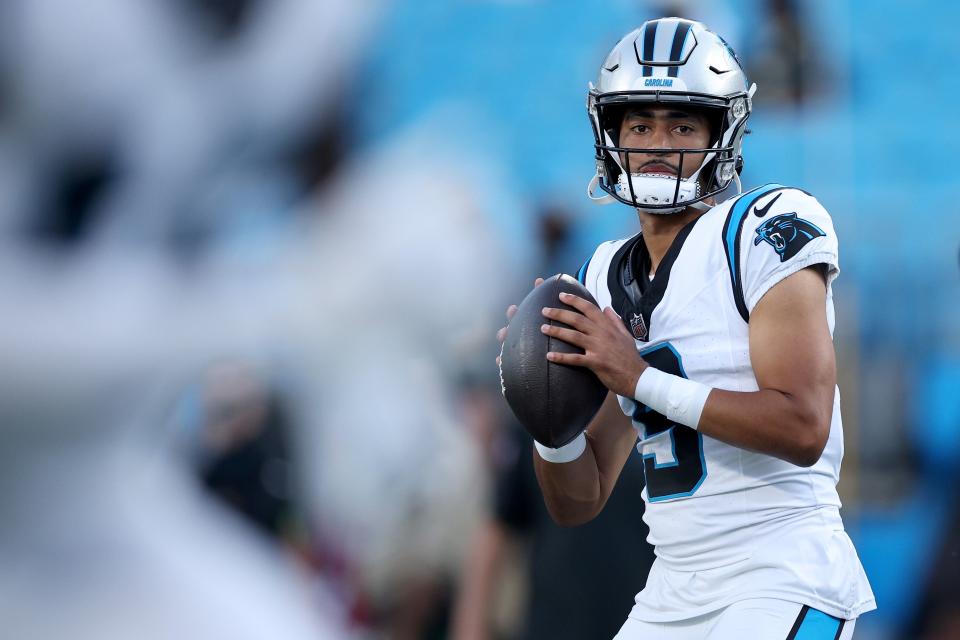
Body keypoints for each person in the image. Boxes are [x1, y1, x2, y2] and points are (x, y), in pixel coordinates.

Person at [496, 18, 875, 639]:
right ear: (609, 135)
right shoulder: (601, 274)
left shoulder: (766, 229)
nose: (656, 144)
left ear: (721, 134)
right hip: (671, 591)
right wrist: (547, 424)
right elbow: (579, 499)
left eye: (682, 125)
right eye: (639, 125)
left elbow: (805, 426)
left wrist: (640, 378)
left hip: (781, 575)